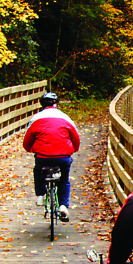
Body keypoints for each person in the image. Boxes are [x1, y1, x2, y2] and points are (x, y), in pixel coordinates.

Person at [23, 92, 80, 222]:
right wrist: (74, 149)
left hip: (42, 156)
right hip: (63, 157)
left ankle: (40, 195)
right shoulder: (65, 118)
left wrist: (30, 149)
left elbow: (27, 140)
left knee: (38, 170)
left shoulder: (36, 118)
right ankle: (63, 205)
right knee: (64, 178)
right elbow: (76, 137)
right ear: (56, 104)